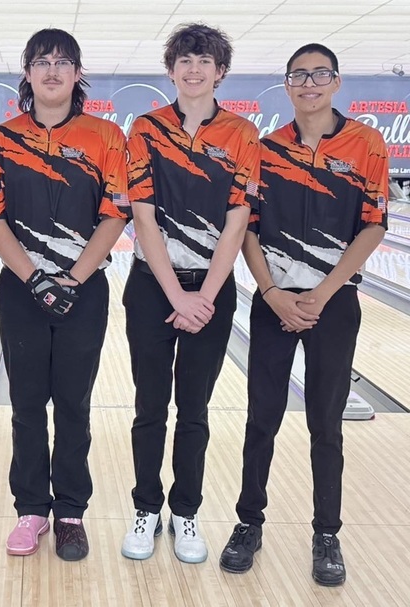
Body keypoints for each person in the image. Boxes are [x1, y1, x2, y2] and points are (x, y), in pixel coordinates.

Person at [219, 43, 388, 586]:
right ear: (287, 85)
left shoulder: (367, 143)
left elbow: (374, 225)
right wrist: (270, 292)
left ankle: (327, 534)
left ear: (336, 82)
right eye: (298, 75)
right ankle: (249, 522)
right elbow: (250, 227)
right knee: (261, 420)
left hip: (334, 304)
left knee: (325, 424)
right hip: (274, 302)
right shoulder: (265, 149)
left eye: (319, 75)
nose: (309, 83)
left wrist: (324, 293)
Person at [0, 28, 130, 562]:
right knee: (25, 405)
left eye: (62, 62)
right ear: (27, 73)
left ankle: (69, 512)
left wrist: (73, 278)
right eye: (41, 62)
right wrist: (35, 279)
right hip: (22, 289)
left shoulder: (107, 136)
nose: (51, 71)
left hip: (83, 291)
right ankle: (30, 509)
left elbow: (116, 211)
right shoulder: (0, 139)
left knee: (73, 404)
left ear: (76, 74)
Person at [122, 24, 260, 564]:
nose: (194, 68)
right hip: (152, 286)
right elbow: (143, 214)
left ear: (220, 71)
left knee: (195, 409)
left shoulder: (243, 134)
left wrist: (203, 293)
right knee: (149, 405)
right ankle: (146, 508)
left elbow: (237, 220)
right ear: (171, 69)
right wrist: (175, 295)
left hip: (212, 287)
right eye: (185, 59)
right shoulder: (145, 128)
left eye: (205, 60)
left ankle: (186, 512)